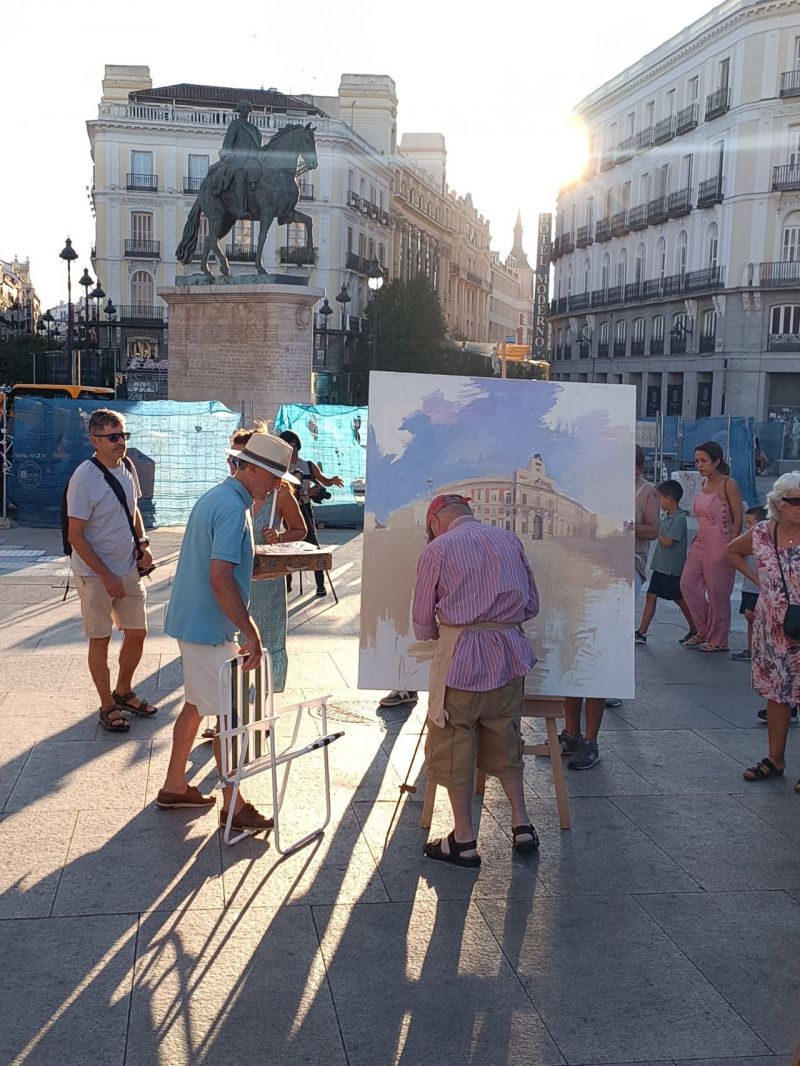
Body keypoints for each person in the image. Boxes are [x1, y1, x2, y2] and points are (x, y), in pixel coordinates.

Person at [157, 429, 299, 832]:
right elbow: (220, 577)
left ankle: (174, 785)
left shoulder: (220, 498)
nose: (275, 487)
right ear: (250, 469)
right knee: (230, 718)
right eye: (273, 477)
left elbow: (220, 572)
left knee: (196, 704)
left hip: (198, 622)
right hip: (207, 627)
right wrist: (251, 632)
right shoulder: (234, 508)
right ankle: (234, 807)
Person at [412, 494, 540, 868]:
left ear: (435, 520)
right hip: (507, 653)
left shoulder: (439, 548)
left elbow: (422, 622)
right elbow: (531, 604)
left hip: (460, 659)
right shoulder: (508, 540)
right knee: (506, 733)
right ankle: (522, 824)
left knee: (454, 741)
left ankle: (464, 839)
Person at [66, 408, 157, 733]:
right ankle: (107, 705)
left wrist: (143, 545)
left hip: (128, 568)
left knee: (137, 632)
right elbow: (75, 535)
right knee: (100, 639)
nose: (121, 442)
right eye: (113, 437)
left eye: (124, 435)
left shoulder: (128, 467)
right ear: (95, 439)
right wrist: (105, 575)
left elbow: (132, 509)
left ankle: (123, 690)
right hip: (95, 574)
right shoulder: (84, 478)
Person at [728, 472, 800, 788]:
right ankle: (775, 758)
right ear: (778, 503)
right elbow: (731, 551)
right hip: (772, 630)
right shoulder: (760, 534)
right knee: (777, 695)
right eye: (795, 501)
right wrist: (757, 580)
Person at [680, 441, 743, 652]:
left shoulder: (728, 484)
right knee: (688, 583)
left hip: (720, 541)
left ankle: (718, 638)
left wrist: (733, 545)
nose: (699, 465)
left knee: (718, 592)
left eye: (704, 461)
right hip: (701, 539)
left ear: (716, 461)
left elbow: (738, 516)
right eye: (697, 461)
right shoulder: (703, 483)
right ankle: (704, 628)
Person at [279, 430, 343, 597]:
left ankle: (320, 585)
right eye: (288, 445)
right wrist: (306, 492)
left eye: (294, 444)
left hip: (305, 509)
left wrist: (331, 481)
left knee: (313, 545)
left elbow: (324, 480)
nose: (293, 448)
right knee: (287, 546)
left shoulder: (307, 464)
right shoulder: (281, 467)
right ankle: (286, 586)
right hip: (286, 511)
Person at [635, 480, 695, 645]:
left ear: (670, 499)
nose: (658, 501)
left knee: (679, 598)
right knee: (651, 596)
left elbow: (669, 542)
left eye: (660, 498)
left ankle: (696, 627)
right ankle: (641, 632)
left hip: (671, 569)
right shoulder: (666, 516)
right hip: (660, 566)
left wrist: (654, 533)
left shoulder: (680, 519)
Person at [731, 505, 768, 662]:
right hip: (749, 585)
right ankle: (751, 648)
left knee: (752, 615)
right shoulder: (747, 541)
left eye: (750, 522)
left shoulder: (765, 542)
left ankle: (761, 648)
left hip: (759, 587)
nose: (747, 526)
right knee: (749, 616)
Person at [217, 99, 262, 218]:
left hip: (254, 161)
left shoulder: (255, 129)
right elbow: (227, 144)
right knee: (240, 176)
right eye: (243, 108)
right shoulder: (235, 125)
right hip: (239, 160)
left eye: (248, 108)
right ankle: (241, 208)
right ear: (239, 110)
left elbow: (259, 147)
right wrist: (230, 156)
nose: (246, 110)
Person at [634, 445, 660, 595]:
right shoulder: (606, 487)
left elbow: (653, 531)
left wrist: (628, 527)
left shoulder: (648, 491)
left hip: (632, 562)